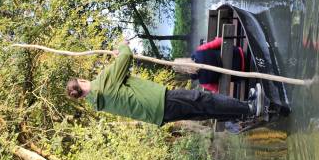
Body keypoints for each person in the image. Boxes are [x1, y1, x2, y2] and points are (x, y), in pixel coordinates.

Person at [66, 41, 265, 126]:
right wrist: (121, 46)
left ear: (81, 96)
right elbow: (126, 55)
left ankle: (243, 112)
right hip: (161, 100)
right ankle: (249, 107)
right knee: (204, 99)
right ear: (82, 81)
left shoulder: (97, 102)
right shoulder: (102, 82)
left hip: (158, 116)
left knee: (203, 112)